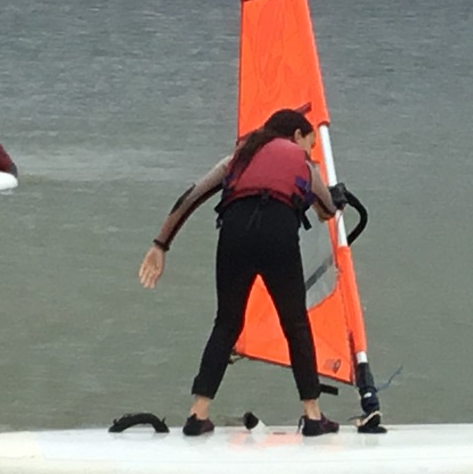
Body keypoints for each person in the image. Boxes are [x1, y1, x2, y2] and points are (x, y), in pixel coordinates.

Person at [138, 108, 343, 437]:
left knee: (227, 322)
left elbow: (190, 197)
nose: (310, 150)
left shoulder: (238, 157)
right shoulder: (303, 163)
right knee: (295, 324)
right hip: (277, 235)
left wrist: (160, 245)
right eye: (310, 142)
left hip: (235, 234)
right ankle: (313, 416)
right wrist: (336, 199)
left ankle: (197, 414)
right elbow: (327, 210)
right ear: (296, 136)